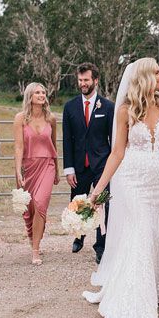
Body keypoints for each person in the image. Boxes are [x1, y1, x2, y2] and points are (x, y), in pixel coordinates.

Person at [82, 58, 159, 318]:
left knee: (156, 231)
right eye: (157, 72)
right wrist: (98, 190)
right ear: (144, 76)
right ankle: (135, 300)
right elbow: (117, 153)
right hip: (132, 182)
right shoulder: (125, 111)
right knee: (140, 231)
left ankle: (155, 284)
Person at [62, 63, 114, 264]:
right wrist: (69, 169)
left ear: (95, 80)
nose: (82, 84)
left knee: (102, 205)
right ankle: (79, 236)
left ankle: (100, 246)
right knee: (78, 203)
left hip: (101, 166)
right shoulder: (70, 107)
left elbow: (112, 140)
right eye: (80, 80)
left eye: (86, 80)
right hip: (78, 166)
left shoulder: (108, 107)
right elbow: (67, 139)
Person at [14, 82, 59, 265]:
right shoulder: (20, 118)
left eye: (43, 92)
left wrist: (56, 169)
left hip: (47, 164)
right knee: (29, 209)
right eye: (37, 92)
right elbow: (18, 147)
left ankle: (36, 250)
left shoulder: (51, 118)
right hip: (29, 165)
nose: (42, 95)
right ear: (30, 96)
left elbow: (54, 145)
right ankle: (34, 237)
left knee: (40, 204)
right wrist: (18, 171)